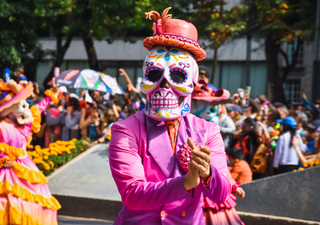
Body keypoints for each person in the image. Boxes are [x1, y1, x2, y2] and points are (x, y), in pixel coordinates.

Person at [109, 7, 231, 225]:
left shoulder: (207, 131)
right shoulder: (126, 129)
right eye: (154, 75)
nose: (164, 86)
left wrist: (207, 172)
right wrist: (186, 182)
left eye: (176, 76)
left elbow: (222, 194)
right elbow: (132, 195)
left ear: (192, 84)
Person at [0, 79, 60, 224]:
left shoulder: (26, 124)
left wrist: (51, 94)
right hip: (6, 171)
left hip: (26, 169)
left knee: (38, 206)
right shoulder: (2, 126)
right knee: (7, 204)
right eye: (17, 103)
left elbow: (39, 107)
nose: (23, 105)